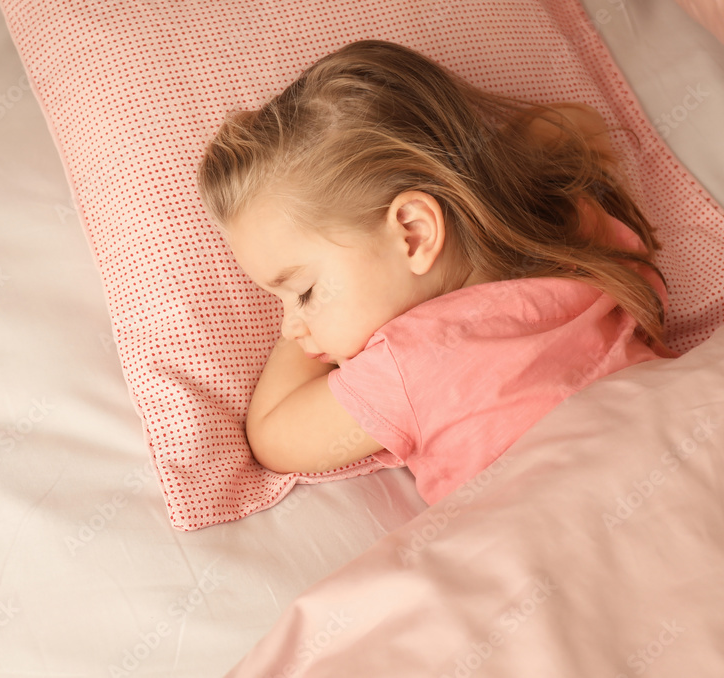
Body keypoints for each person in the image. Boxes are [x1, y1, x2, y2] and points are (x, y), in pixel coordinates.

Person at [197, 40, 675, 505]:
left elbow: (273, 435)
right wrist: (491, 174)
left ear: (414, 232)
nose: (288, 326)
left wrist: (310, 333)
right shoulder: (564, 235)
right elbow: (577, 124)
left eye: (302, 292)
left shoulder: (408, 364)